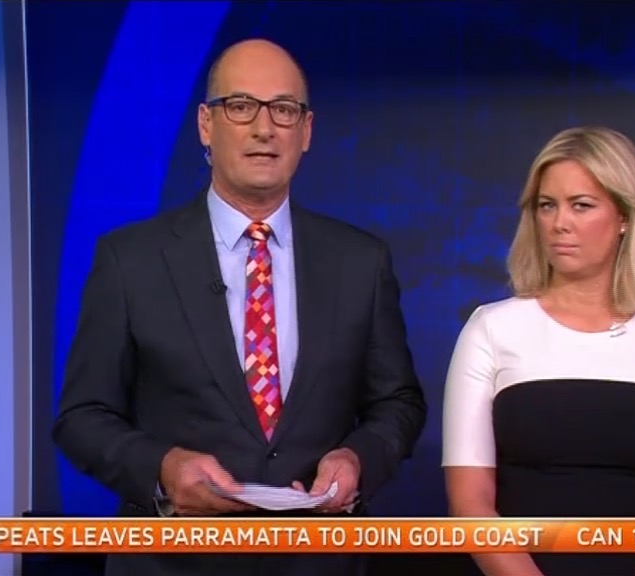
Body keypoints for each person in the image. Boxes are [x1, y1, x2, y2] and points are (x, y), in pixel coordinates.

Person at [53, 38, 427, 576]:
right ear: (206, 125)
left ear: (306, 131)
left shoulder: (360, 262)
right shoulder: (130, 260)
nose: (263, 128)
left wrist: (357, 459)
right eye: (241, 106)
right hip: (173, 563)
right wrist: (162, 468)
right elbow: (83, 417)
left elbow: (398, 403)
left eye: (284, 109)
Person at [442, 126, 635, 576]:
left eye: (581, 205)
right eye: (547, 205)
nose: (559, 223)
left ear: (624, 217)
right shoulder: (492, 328)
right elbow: (470, 505)